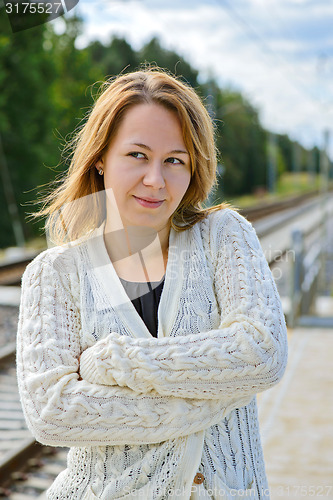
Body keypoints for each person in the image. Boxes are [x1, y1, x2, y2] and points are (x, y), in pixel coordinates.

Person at [17, 67, 288, 500]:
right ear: (101, 157)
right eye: (138, 155)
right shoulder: (56, 273)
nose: (155, 181)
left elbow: (263, 351)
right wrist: (216, 392)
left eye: (174, 160)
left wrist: (114, 362)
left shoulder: (224, 238)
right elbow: (52, 413)